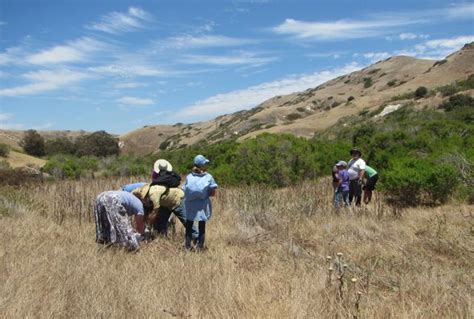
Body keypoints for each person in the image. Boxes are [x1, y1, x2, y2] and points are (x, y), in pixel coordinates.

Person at [183, 154, 218, 250]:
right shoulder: (209, 177)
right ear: (202, 165)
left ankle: (187, 246)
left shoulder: (189, 176)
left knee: (189, 225)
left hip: (189, 204)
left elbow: (184, 190)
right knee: (201, 226)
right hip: (202, 204)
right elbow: (213, 193)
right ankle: (200, 246)